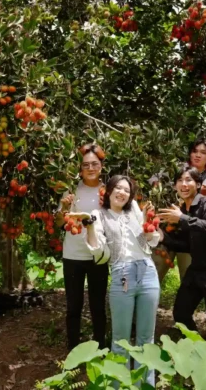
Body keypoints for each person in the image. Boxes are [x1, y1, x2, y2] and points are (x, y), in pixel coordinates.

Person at [85, 175, 160, 386]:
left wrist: (147, 223)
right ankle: (120, 385)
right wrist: (89, 227)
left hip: (147, 271)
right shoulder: (97, 214)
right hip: (122, 274)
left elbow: (151, 241)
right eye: (118, 188)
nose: (122, 193)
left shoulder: (134, 209)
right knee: (120, 340)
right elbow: (101, 254)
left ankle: (145, 386)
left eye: (126, 190)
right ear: (108, 191)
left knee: (147, 339)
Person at [157, 164, 206, 349]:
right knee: (181, 314)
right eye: (180, 180)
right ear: (175, 186)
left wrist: (182, 219)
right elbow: (186, 245)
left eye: (188, 180)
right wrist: (163, 237)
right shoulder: (184, 210)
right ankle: (200, 348)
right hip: (197, 269)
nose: (184, 184)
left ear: (198, 185)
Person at [54, 143, 108, 351]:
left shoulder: (108, 191)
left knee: (97, 306)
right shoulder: (72, 190)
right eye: (86, 165)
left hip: (98, 255)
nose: (91, 168)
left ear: (101, 166)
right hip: (73, 255)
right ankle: (73, 350)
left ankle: (100, 348)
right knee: (73, 306)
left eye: (95, 164)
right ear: (80, 168)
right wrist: (65, 208)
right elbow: (60, 223)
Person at [153, 137, 206, 282]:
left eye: (203, 152)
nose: (198, 155)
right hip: (167, 230)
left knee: (189, 277)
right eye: (195, 151)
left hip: (191, 235)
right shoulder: (177, 170)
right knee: (155, 269)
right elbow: (152, 182)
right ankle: (147, 303)